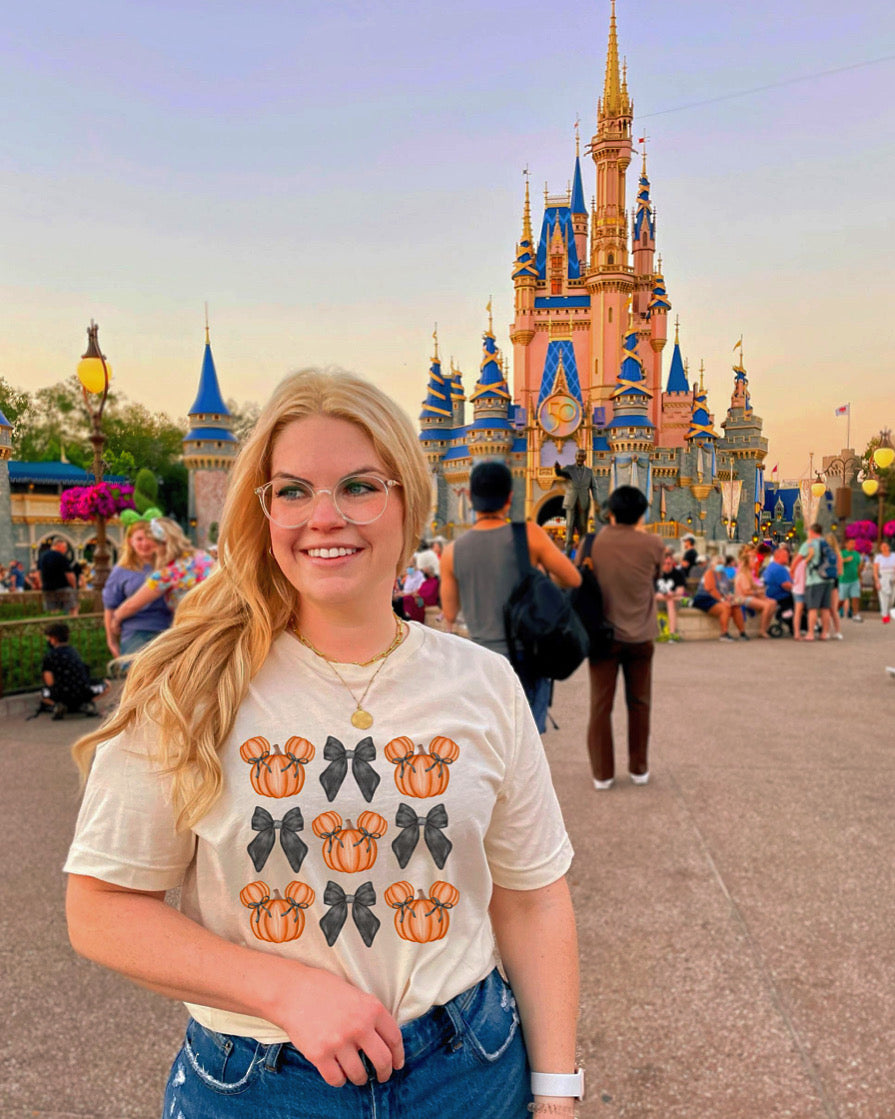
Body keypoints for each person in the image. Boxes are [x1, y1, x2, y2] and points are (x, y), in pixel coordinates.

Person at [65, 369, 581, 1119]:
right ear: (265, 510)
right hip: (260, 1085)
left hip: (468, 1071)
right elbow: (102, 904)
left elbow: (532, 898)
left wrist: (558, 1093)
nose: (325, 516)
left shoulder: (483, 683)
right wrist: (284, 988)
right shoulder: (188, 680)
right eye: (294, 490)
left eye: (360, 486)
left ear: (409, 501)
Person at [440, 460, 581, 734]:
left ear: (469, 498)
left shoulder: (451, 552)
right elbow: (573, 578)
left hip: (481, 661)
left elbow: (448, 616)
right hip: (526, 657)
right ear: (510, 498)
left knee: (490, 743)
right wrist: (538, 576)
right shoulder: (529, 535)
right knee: (527, 745)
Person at [587, 485, 665, 789]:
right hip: (641, 636)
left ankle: (603, 774)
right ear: (642, 513)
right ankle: (639, 768)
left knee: (600, 706)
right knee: (640, 703)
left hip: (603, 637)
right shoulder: (654, 543)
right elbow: (655, 578)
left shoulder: (594, 542)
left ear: (611, 512)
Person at [109, 517, 214, 636]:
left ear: (163, 544)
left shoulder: (168, 573)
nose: (154, 552)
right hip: (219, 622)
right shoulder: (203, 557)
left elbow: (132, 605)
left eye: (154, 547)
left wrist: (116, 618)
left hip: (194, 630)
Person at [102, 520, 172, 659]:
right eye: (139, 539)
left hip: (168, 630)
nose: (145, 544)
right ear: (130, 541)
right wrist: (111, 641)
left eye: (149, 538)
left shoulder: (169, 566)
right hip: (136, 632)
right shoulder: (121, 571)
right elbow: (110, 606)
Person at [39, 622, 108, 719]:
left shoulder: (49, 656)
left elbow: (49, 681)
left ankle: (58, 705)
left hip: (60, 694)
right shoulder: (74, 652)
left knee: (43, 694)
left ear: (54, 638)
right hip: (83, 692)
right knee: (107, 685)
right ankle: (87, 704)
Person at [691, 554, 748, 641]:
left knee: (736, 607)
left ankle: (742, 632)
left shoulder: (723, 574)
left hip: (719, 597)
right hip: (705, 598)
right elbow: (711, 590)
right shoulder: (709, 573)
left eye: (722, 563)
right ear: (713, 564)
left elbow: (729, 589)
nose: (720, 565)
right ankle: (724, 633)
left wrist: (730, 596)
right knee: (726, 607)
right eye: (718, 563)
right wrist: (722, 600)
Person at [554, 450, 600, 555]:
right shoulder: (569, 469)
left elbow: (594, 487)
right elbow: (560, 473)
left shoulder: (589, 472)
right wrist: (556, 468)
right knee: (569, 526)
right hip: (571, 501)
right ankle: (568, 552)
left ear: (585, 458)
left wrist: (596, 500)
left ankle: (583, 552)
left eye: (582, 456)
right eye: (578, 456)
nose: (580, 458)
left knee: (583, 527)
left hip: (583, 502)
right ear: (575, 457)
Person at [793, 523, 832, 641]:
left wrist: (792, 570)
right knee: (825, 608)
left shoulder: (809, 544)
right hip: (828, 579)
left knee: (813, 608)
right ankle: (824, 633)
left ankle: (810, 633)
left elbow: (797, 560)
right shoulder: (826, 543)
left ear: (811, 531)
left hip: (814, 579)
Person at [733, 554, 777, 639]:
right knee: (767, 605)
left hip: (748, 596)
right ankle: (762, 630)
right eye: (753, 561)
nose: (755, 563)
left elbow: (752, 587)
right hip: (741, 598)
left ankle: (765, 628)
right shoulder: (742, 575)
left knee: (773, 602)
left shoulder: (749, 573)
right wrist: (758, 592)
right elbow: (746, 592)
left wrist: (760, 590)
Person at [38, 538, 78, 615]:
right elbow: (69, 575)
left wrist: (41, 584)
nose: (66, 550)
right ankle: (73, 623)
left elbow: (38, 572)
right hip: (63, 587)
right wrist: (74, 586)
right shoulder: (61, 557)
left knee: (53, 610)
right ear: (58, 546)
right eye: (65, 547)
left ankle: (55, 625)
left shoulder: (43, 556)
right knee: (73, 607)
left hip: (47, 588)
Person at [654, 553, 687, 642]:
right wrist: (665, 595)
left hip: (673, 598)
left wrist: (672, 594)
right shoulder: (655, 573)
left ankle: (671, 634)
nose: (667, 565)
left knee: (670, 601)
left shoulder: (678, 573)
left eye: (669, 563)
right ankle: (669, 634)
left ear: (672, 562)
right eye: (665, 563)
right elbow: (651, 592)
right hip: (658, 598)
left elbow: (680, 591)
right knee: (657, 599)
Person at [838, 537, 863, 622]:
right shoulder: (842, 553)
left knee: (855, 597)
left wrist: (860, 577)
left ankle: (855, 614)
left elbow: (859, 567)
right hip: (844, 580)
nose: (853, 545)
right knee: (842, 599)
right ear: (846, 544)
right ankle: (835, 611)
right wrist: (845, 560)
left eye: (854, 543)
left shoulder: (856, 554)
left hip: (854, 580)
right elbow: (838, 563)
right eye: (851, 543)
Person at [873, 538, 895, 623]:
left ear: (889, 547)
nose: (884, 548)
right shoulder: (878, 557)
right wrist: (877, 581)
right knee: (884, 597)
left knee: (892, 598)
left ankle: (888, 611)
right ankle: (884, 615)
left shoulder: (894, 555)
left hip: (893, 577)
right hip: (883, 577)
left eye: (885, 546)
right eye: (882, 547)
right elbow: (875, 571)